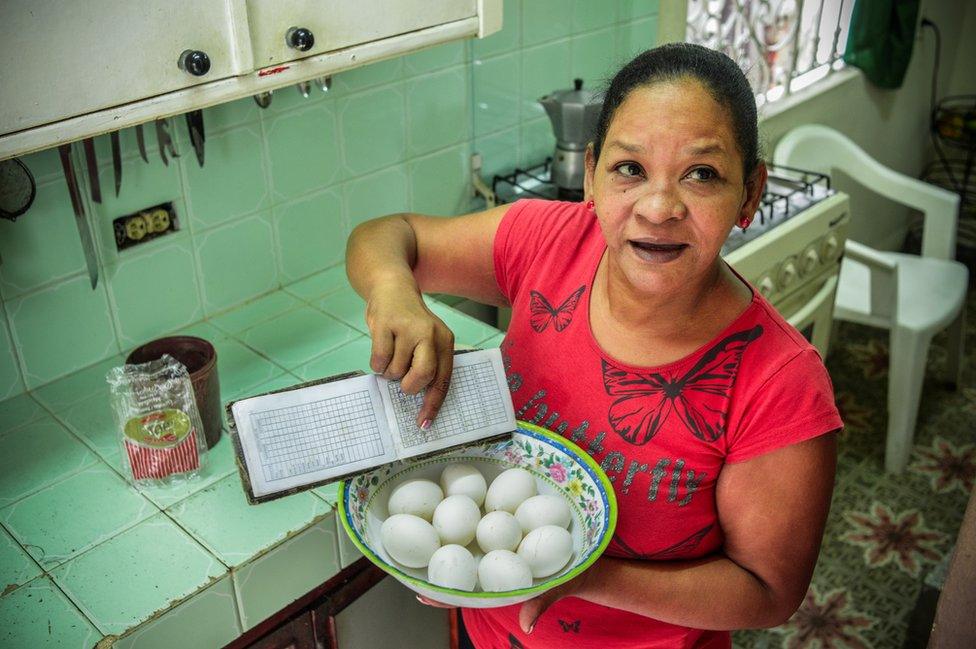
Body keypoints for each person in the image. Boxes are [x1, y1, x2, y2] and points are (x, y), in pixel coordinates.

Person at [346, 42, 842, 649]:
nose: (658, 208)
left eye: (703, 174)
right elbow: (385, 236)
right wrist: (395, 292)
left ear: (751, 193)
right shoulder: (549, 243)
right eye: (629, 169)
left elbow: (768, 591)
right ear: (590, 175)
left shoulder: (778, 384)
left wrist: (584, 578)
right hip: (489, 632)